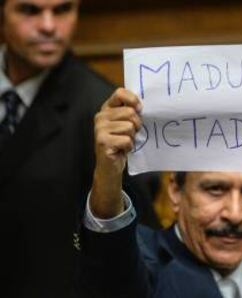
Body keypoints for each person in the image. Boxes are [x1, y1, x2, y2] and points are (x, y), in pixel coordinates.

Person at [78, 88, 242, 298]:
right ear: (176, 191)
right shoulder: (142, 267)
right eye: (215, 189)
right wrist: (109, 171)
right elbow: (110, 253)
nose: (235, 214)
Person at [0, 1, 158, 297]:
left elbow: (137, 247)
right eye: (29, 11)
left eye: (62, 10)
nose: (48, 26)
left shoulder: (104, 113)